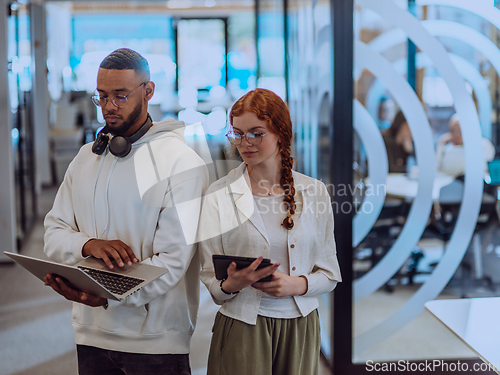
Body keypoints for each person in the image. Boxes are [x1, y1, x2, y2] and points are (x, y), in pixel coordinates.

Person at [43, 48, 208, 375]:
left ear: (148, 91)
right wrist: (88, 245)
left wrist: (102, 295)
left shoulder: (181, 163)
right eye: (102, 96)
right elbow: (54, 234)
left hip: (156, 342)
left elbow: (171, 263)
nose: (108, 107)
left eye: (120, 96)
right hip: (91, 334)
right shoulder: (85, 158)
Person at [198, 88, 341, 375]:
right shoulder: (219, 195)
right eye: (237, 134)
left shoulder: (314, 193)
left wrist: (296, 285)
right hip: (242, 328)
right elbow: (210, 280)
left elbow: (330, 274)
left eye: (256, 133)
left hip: (301, 327)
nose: (244, 143)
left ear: (281, 134)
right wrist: (231, 284)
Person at [436, 113, 495, 178]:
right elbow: (437, 168)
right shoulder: (447, 149)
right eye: (453, 131)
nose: (456, 135)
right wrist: (441, 144)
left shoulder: (483, 144)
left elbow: (480, 167)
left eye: (460, 130)